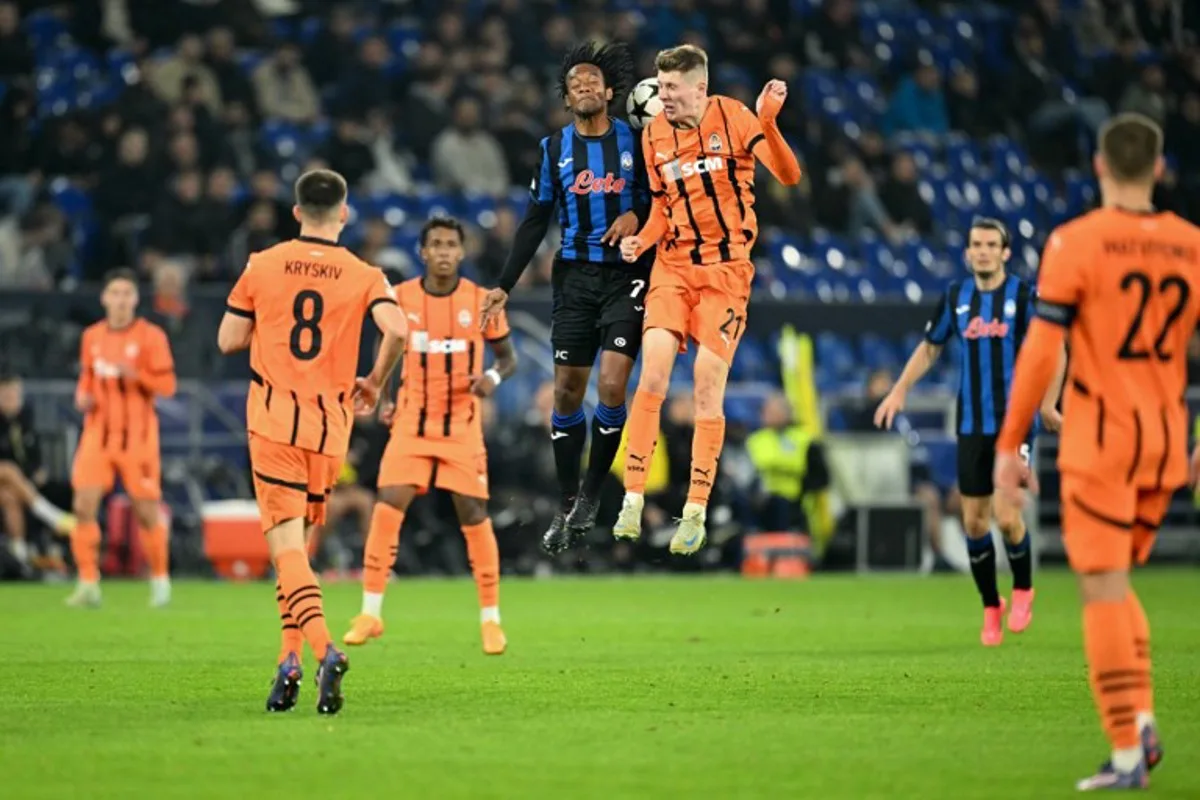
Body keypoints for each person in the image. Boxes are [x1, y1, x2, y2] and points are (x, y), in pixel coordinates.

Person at [994, 113, 1200, 791]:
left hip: (1102, 436)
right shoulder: (1191, 245)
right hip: (1165, 439)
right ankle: (1140, 720)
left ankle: (1124, 754)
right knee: (1118, 583)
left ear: (1101, 168)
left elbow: (1041, 351)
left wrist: (1008, 445)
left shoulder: (1076, 243)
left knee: (1101, 589)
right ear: (1160, 170)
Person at [217, 168, 407, 715]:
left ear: (296, 212)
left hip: (276, 419)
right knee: (296, 553)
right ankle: (287, 663)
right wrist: (374, 380)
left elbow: (229, 339)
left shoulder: (263, 264)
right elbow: (397, 330)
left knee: (285, 550)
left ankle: (324, 650)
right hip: (330, 428)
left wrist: (264, 323)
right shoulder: (364, 272)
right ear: (343, 214)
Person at [612, 44, 801, 554]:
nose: (663, 96)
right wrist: (641, 242)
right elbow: (660, 211)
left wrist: (769, 121)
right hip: (673, 267)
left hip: (726, 273)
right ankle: (632, 497)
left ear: (700, 87)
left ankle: (694, 509)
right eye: (660, 86)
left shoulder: (735, 117)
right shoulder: (652, 135)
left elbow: (788, 176)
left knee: (704, 386)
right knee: (650, 372)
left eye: (672, 88)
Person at [479, 41, 650, 553]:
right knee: (567, 394)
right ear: (566, 98)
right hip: (573, 279)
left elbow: (656, 199)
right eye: (575, 84)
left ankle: (595, 495)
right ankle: (567, 500)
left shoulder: (636, 142)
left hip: (626, 276)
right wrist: (504, 285)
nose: (584, 87)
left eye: (592, 81)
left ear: (610, 92)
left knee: (614, 384)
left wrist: (635, 217)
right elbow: (535, 221)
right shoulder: (554, 150)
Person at [874, 218, 1066, 646]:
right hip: (971, 426)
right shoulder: (956, 297)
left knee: (1006, 516)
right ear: (967, 252)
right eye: (975, 244)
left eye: (990, 244)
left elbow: (1055, 347)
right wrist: (900, 390)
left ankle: (1022, 588)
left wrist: (1049, 404)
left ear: (1005, 253)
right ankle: (990, 605)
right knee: (974, 522)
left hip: (1013, 426)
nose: (982, 250)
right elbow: (930, 347)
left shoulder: (1023, 296)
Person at [343, 217, 517, 654]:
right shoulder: (399, 298)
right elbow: (387, 346)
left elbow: (508, 358)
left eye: (450, 244)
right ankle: (370, 612)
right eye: (435, 244)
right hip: (411, 423)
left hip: (461, 424)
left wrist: (493, 378)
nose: (443, 251)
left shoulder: (481, 301)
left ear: (461, 252)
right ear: (423, 252)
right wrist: (382, 392)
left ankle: (491, 619)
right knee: (387, 506)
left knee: (473, 515)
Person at [65, 269, 177, 608]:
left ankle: (159, 579)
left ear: (135, 299)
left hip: (138, 437)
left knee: (145, 512)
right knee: (83, 506)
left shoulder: (151, 336)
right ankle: (88, 583)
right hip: (97, 434)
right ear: (104, 298)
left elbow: (168, 386)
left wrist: (137, 375)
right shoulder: (92, 337)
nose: (120, 300)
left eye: (127, 293)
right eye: (114, 293)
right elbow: (86, 378)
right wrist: (82, 396)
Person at [0, 372, 74, 569]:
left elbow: (32, 453)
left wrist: (36, 471)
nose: (12, 399)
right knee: (7, 469)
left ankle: (20, 555)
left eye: (15, 394)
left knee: (8, 497)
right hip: (10, 475)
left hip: (14, 485)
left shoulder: (25, 417)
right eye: (7, 395)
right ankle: (51, 516)